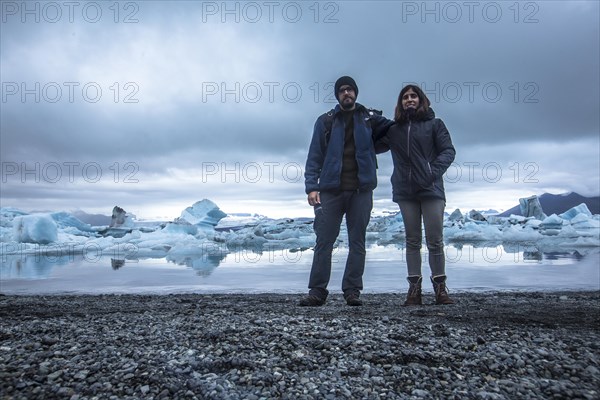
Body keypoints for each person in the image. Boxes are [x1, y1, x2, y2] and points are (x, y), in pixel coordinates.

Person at [299, 76, 393, 307]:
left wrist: (374, 149)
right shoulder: (326, 121)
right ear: (337, 95)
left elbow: (395, 131)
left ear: (356, 93)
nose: (346, 93)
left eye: (350, 90)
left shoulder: (370, 119)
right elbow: (315, 154)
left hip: (361, 191)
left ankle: (352, 291)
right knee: (324, 241)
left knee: (357, 241)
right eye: (342, 91)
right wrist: (311, 186)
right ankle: (317, 291)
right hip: (331, 191)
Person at [376, 84, 456, 305]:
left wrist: (431, 171)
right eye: (405, 97)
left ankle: (440, 289)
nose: (409, 100)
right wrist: (370, 122)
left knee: (435, 240)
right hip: (405, 191)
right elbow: (372, 146)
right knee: (412, 240)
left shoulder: (435, 124)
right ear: (400, 103)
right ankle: (414, 290)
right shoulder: (394, 130)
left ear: (421, 100)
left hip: (431, 190)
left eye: (413, 96)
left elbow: (448, 151)